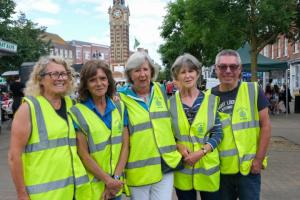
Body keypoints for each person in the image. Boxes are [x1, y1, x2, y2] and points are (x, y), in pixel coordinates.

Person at [8, 56, 91, 200]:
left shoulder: (71, 104)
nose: (61, 78)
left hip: (76, 192)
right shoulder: (28, 109)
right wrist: (22, 194)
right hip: (45, 195)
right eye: (54, 74)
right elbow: (14, 157)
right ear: (40, 79)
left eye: (64, 73)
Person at [118, 51, 182, 200]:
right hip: (139, 169)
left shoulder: (161, 91)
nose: (142, 74)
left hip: (164, 165)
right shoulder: (120, 98)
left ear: (151, 71)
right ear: (130, 74)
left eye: (145, 69)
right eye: (137, 70)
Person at [210, 49, 271, 200]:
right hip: (220, 170)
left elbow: (266, 126)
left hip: (248, 169)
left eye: (233, 66)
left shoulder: (254, 90)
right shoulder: (207, 97)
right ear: (216, 69)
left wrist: (258, 159)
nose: (228, 71)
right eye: (223, 66)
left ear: (240, 69)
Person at [69, 60, 129, 200]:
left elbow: (125, 146)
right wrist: (108, 181)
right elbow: (83, 154)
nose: (99, 83)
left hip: (115, 186)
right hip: (94, 190)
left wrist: (115, 178)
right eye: (92, 80)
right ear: (86, 85)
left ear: (109, 81)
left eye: (103, 78)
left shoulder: (120, 108)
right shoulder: (77, 112)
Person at [169, 53, 223, 200]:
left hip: (207, 168)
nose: (187, 76)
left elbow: (218, 133)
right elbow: (166, 135)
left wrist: (201, 152)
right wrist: (177, 145)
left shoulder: (211, 100)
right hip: (183, 169)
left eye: (191, 71)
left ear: (197, 73)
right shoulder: (170, 104)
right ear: (177, 76)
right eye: (183, 72)